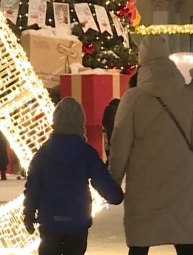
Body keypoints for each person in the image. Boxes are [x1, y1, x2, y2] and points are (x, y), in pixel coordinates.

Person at [109, 36, 193, 255]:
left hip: (143, 182)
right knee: (183, 241)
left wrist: (113, 181)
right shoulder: (189, 95)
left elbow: (120, 145)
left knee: (139, 243)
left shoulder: (133, 98)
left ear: (141, 59)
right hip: (180, 179)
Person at [23, 97, 124, 255]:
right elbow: (101, 180)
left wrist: (29, 214)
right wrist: (115, 195)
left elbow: (33, 187)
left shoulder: (42, 154)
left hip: (49, 222)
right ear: (80, 123)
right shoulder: (86, 153)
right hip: (77, 222)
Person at [101, 98, 120, 164]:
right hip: (119, 133)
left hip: (109, 132)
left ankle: (109, 163)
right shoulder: (121, 109)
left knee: (109, 149)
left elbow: (103, 121)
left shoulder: (108, 109)